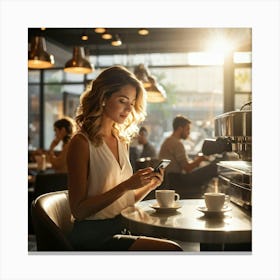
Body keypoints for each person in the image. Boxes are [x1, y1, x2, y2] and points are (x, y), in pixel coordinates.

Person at [67, 66, 177, 251]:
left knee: (168, 240)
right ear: (103, 99)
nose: (129, 109)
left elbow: (123, 201)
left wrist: (149, 186)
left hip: (122, 225)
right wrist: (126, 185)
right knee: (171, 250)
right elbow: (79, 210)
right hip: (93, 236)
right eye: (122, 101)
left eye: (132, 103)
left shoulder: (121, 140)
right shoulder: (81, 142)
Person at [158, 115, 217, 194]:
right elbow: (187, 168)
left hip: (170, 180)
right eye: (187, 129)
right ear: (180, 129)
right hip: (177, 180)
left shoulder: (168, 140)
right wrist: (200, 159)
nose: (189, 133)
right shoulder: (176, 143)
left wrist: (196, 160)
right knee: (213, 167)